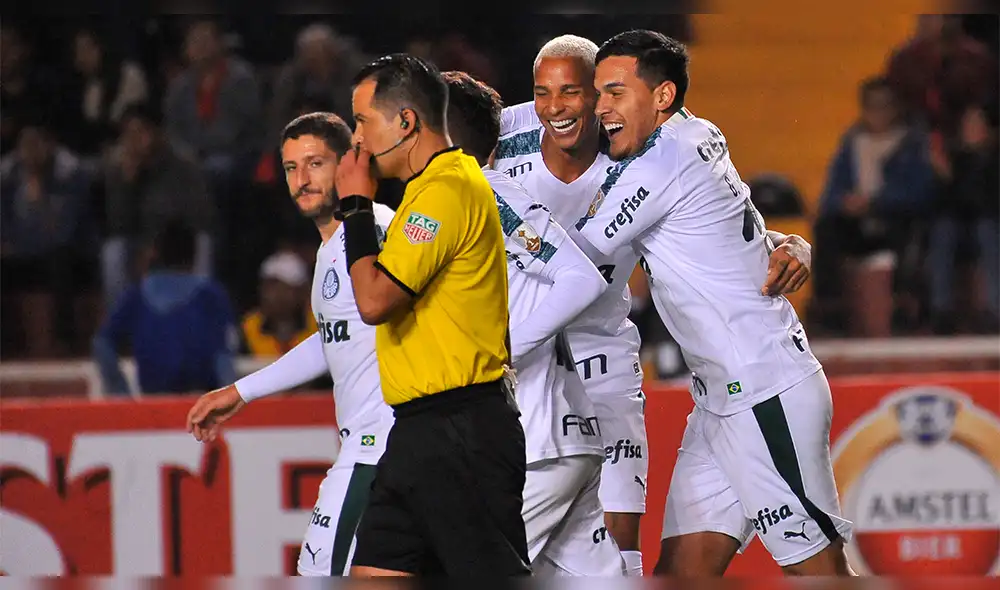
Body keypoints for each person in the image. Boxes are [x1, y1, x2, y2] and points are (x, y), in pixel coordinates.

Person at [493, 34, 814, 575]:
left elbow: (712, 215)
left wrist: (789, 243)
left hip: (603, 354)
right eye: (543, 92)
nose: (557, 107)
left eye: (575, 91)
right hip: (524, 361)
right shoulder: (508, 134)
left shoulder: (641, 146)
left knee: (618, 540)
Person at [572, 30, 853, 576]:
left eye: (614, 92)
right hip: (718, 405)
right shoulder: (699, 133)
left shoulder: (658, 165)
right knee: (680, 576)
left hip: (763, 393)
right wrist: (788, 243)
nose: (599, 107)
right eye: (597, 92)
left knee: (821, 575)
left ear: (661, 96)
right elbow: (729, 233)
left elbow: (575, 258)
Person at [334, 54, 529, 577]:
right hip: (419, 431)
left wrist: (355, 208)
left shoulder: (447, 191)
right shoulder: (427, 192)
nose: (356, 140)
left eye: (362, 122)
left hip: (462, 429)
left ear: (406, 123)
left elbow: (374, 301)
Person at [185, 112, 397, 576]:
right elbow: (332, 340)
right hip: (377, 451)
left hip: (378, 450)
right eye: (290, 168)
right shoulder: (330, 251)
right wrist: (241, 392)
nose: (301, 180)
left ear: (348, 164)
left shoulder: (377, 230)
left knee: (320, 575)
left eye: (315, 164)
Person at [443, 69, 624, 576]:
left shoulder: (480, 192)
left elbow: (581, 279)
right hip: (554, 436)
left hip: (536, 439)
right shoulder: (449, 203)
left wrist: (497, 354)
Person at [94, 220, 236, 396]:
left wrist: (120, 390)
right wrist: (228, 400)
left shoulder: (136, 294)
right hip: (199, 402)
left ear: (155, 254)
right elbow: (224, 354)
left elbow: (102, 342)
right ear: (195, 255)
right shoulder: (211, 294)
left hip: (158, 400)